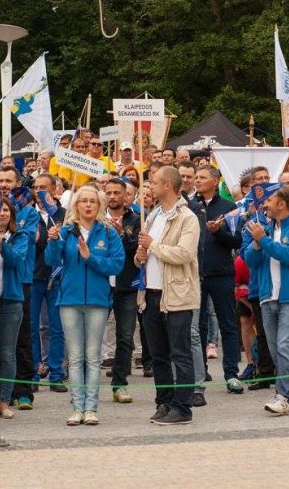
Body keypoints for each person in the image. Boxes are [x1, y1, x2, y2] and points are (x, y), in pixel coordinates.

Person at [45, 185, 124, 426]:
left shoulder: (109, 233)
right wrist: (53, 242)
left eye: (92, 201)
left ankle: (91, 408)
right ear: (76, 206)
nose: (88, 205)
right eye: (83, 201)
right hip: (69, 300)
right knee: (75, 356)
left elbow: (116, 265)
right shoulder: (67, 231)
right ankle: (76, 407)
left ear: (99, 206)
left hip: (98, 301)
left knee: (93, 356)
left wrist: (91, 258)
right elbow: (51, 260)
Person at [135, 166, 200, 425]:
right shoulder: (152, 216)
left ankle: (183, 406)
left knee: (180, 353)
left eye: (154, 182)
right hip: (150, 293)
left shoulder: (187, 218)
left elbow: (184, 254)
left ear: (168, 187)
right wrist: (140, 255)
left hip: (175, 294)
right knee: (158, 353)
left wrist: (153, 246)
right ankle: (164, 401)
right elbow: (146, 252)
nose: (149, 187)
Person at [242, 185, 289, 415]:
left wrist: (264, 241)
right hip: (266, 297)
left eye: (270, 200)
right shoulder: (263, 229)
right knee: (275, 350)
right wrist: (255, 242)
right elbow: (250, 261)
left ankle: (282, 396)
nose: (265, 204)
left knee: (285, 347)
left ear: (282, 203)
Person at [192, 166, 244, 394]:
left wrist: (218, 232)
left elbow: (236, 240)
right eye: (196, 177)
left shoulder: (228, 207)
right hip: (196, 274)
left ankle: (231, 373)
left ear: (215, 181)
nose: (197, 181)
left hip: (222, 273)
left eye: (202, 177)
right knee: (198, 326)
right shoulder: (191, 206)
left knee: (227, 324)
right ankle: (199, 370)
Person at [0, 166, 40, 410]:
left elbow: (27, 237)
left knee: (21, 337)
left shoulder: (28, 213)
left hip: (20, 280)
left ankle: (23, 389)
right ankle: (0, 391)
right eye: (0, 180)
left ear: (18, 183)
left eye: (8, 181)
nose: (4, 184)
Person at [0, 197, 29, 419]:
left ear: (12, 214)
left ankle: (5, 400)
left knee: (7, 352)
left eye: (6, 210)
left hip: (11, 300)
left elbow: (15, 262)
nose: (1, 214)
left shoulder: (19, 237)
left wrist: (0, 240)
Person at [103, 178, 141, 403]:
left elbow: (137, 248)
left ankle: (119, 383)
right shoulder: (97, 219)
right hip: (101, 284)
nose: (113, 197)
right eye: (109, 192)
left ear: (126, 195)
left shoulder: (135, 220)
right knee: (93, 336)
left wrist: (122, 235)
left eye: (117, 193)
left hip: (126, 285)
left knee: (125, 336)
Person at [29, 174, 68, 392]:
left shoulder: (64, 214)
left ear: (54, 189)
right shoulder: (28, 214)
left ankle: (56, 373)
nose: (40, 191)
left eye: (44, 187)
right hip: (34, 277)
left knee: (56, 327)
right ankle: (34, 371)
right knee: (32, 327)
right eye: (37, 187)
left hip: (57, 276)